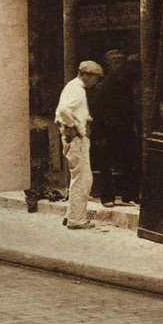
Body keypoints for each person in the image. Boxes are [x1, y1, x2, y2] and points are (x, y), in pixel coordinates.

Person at [54, 60, 103, 229]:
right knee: (83, 179)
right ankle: (77, 219)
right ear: (85, 75)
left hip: (72, 137)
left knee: (78, 178)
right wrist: (74, 127)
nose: (96, 81)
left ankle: (71, 215)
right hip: (75, 139)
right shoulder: (77, 89)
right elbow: (63, 111)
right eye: (95, 78)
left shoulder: (73, 86)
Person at [90, 49, 138, 206]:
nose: (118, 64)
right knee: (106, 164)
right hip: (106, 128)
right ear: (108, 64)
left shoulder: (126, 83)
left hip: (124, 127)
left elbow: (130, 106)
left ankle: (129, 195)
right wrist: (99, 133)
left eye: (120, 61)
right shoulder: (102, 85)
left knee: (129, 161)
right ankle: (108, 197)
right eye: (114, 61)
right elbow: (96, 111)